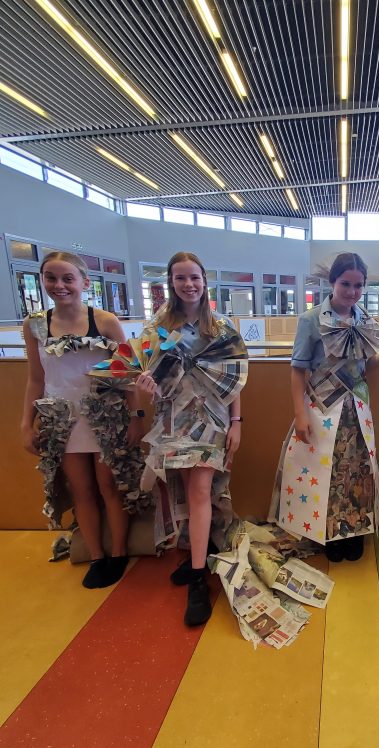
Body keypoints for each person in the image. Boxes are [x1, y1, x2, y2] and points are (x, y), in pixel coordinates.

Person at [21, 251, 146, 589]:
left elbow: (127, 373)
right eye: (51, 278)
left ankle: (118, 552)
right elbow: (35, 378)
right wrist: (26, 423)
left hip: (105, 417)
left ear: (84, 283)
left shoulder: (105, 321)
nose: (59, 285)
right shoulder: (35, 325)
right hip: (62, 419)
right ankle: (96, 555)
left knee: (109, 486)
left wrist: (136, 417)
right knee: (81, 490)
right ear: (42, 281)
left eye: (67, 278)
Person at [135, 252, 248, 626]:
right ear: (171, 282)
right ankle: (200, 555)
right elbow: (149, 380)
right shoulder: (156, 328)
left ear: (205, 280)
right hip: (172, 421)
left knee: (199, 491)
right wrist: (145, 386)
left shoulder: (222, 327)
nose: (189, 284)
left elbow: (234, 380)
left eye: (194, 277)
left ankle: (198, 578)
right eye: (180, 277)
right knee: (186, 492)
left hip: (211, 420)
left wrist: (237, 422)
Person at [269, 252, 379, 562]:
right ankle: (328, 533)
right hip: (321, 407)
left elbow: (366, 365)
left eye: (358, 285)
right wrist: (299, 413)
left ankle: (353, 531)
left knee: (356, 471)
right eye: (346, 284)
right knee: (324, 470)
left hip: (357, 409)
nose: (352, 291)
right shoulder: (311, 320)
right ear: (332, 282)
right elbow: (298, 369)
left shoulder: (365, 321)